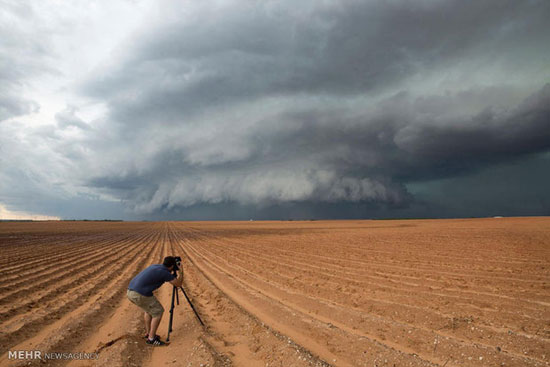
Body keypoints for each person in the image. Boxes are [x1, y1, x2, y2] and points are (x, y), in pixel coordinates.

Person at [127, 256, 183, 346]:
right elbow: (178, 284)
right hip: (139, 294)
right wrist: (181, 271)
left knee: (149, 310)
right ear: (172, 266)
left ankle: (148, 333)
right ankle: (151, 339)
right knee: (158, 311)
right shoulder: (165, 273)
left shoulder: (156, 266)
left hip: (130, 291)